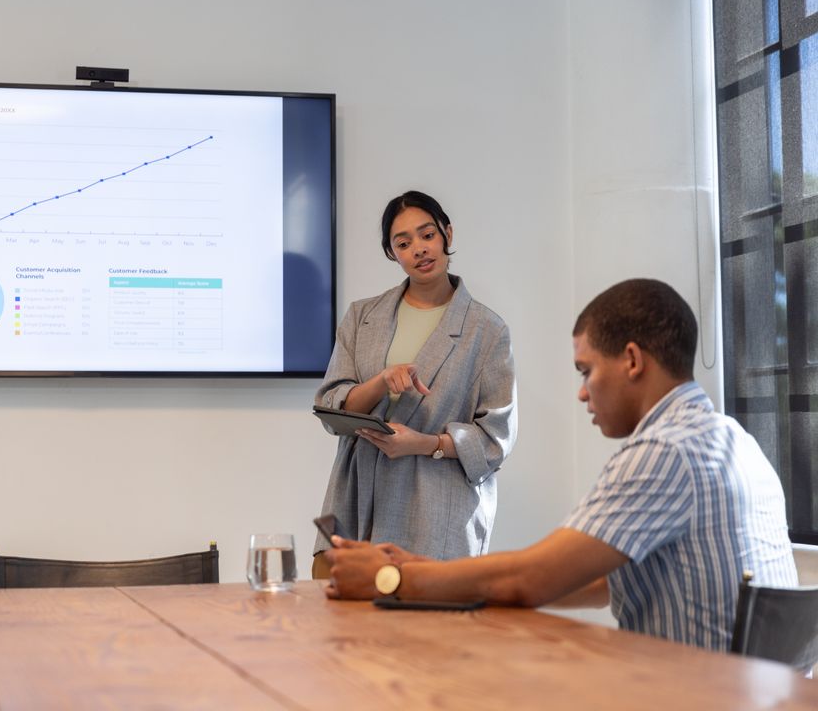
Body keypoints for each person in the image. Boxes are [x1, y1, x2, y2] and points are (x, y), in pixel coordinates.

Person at [324, 278, 798, 651]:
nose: (582, 391)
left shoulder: (667, 451)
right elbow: (595, 581)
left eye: (586, 370)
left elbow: (531, 578)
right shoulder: (735, 440)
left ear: (632, 361)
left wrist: (393, 579)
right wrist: (427, 570)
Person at [312, 190, 517, 575]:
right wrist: (380, 382)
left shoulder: (486, 330)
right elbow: (329, 408)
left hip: (437, 510)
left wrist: (424, 444)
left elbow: (495, 438)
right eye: (403, 243)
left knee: (427, 630)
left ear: (447, 235)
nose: (418, 250)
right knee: (343, 629)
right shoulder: (362, 317)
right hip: (356, 500)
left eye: (427, 236)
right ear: (393, 253)